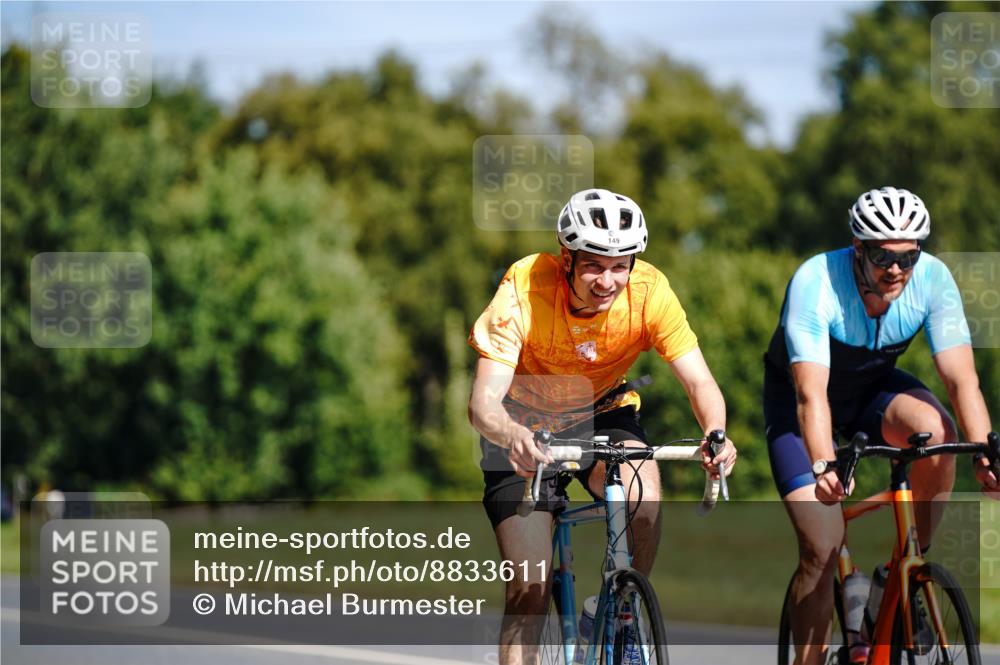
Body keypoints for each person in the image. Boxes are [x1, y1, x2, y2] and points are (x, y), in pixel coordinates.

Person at [468, 188, 737, 665]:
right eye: (594, 265)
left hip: (603, 411)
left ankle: (619, 615)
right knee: (530, 589)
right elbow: (483, 404)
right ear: (566, 258)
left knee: (645, 497)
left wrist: (716, 434)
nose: (608, 280)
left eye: (621, 265)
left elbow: (699, 381)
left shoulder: (650, 291)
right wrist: (512, 436)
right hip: (523, 424)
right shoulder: (524, 287)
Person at [763, 186, 998, 665]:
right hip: (802, 406)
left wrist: (985, 455)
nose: (896, 270)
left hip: (872, 391)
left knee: (938, 434)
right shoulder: (816, 280)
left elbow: (962, 380)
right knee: (823, 547)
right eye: (881, 256)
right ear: (857, 248)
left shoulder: (932, 279)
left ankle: (903, 576)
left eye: (908, 257)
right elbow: (811, 394)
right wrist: (823, 462)